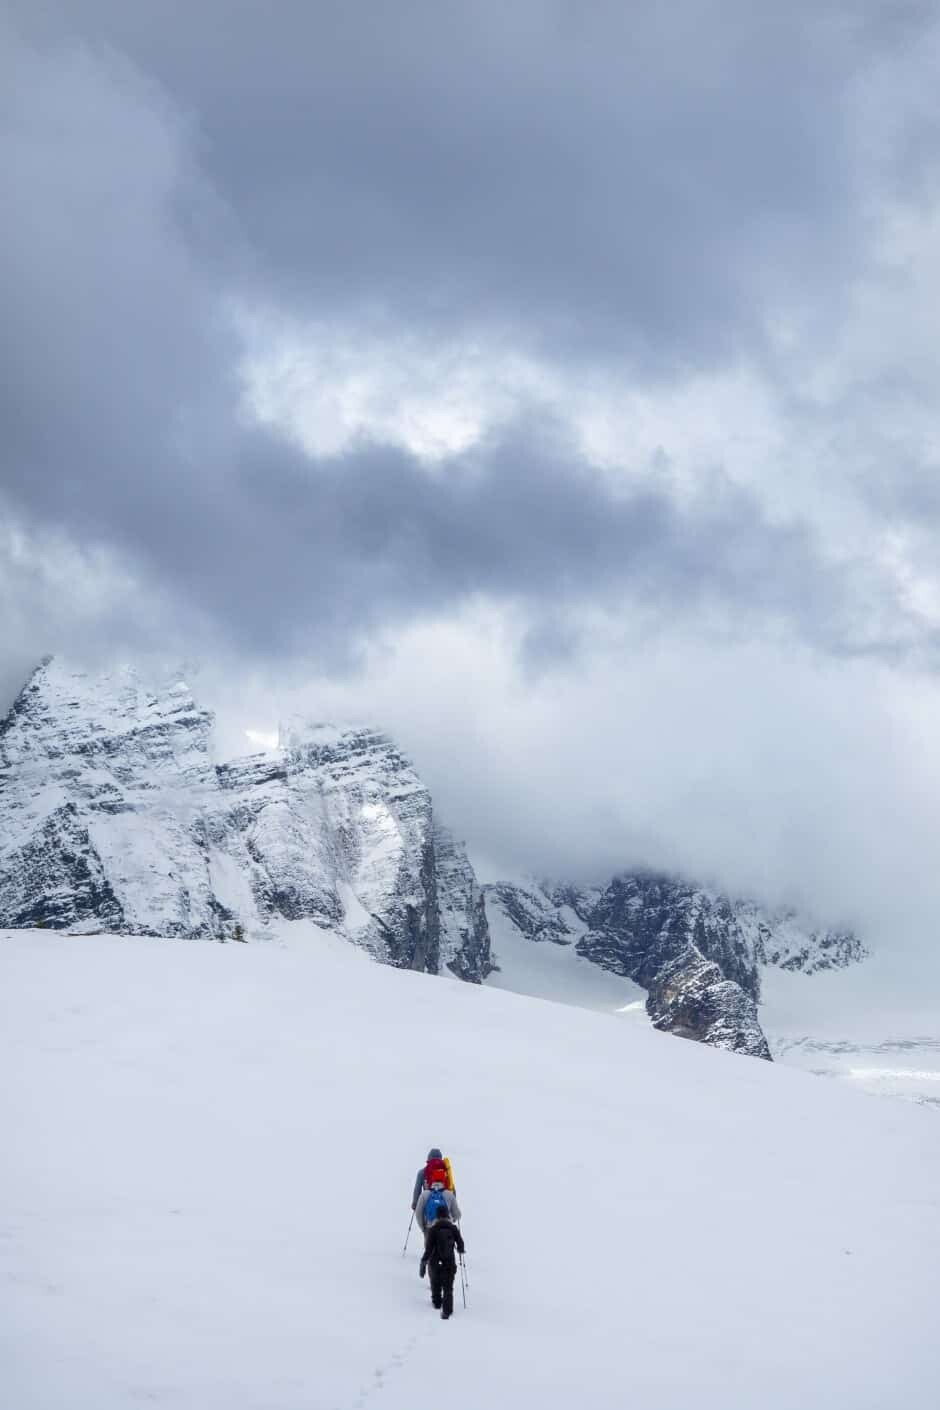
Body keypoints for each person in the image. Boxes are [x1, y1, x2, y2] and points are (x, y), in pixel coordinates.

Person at [420, 1205, 466, 1319]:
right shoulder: (453, 1229)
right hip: (449, 1263)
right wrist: (460, 1250)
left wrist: (423, 1262)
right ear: (447, 1215)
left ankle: (437, 1303)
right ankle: (447, 1310)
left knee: (436, 1284)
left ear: (437, 1216)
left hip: (435, 1264)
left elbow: (428, 1249)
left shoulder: (433, 1229)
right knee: (448, 1288)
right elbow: (461, 1244)